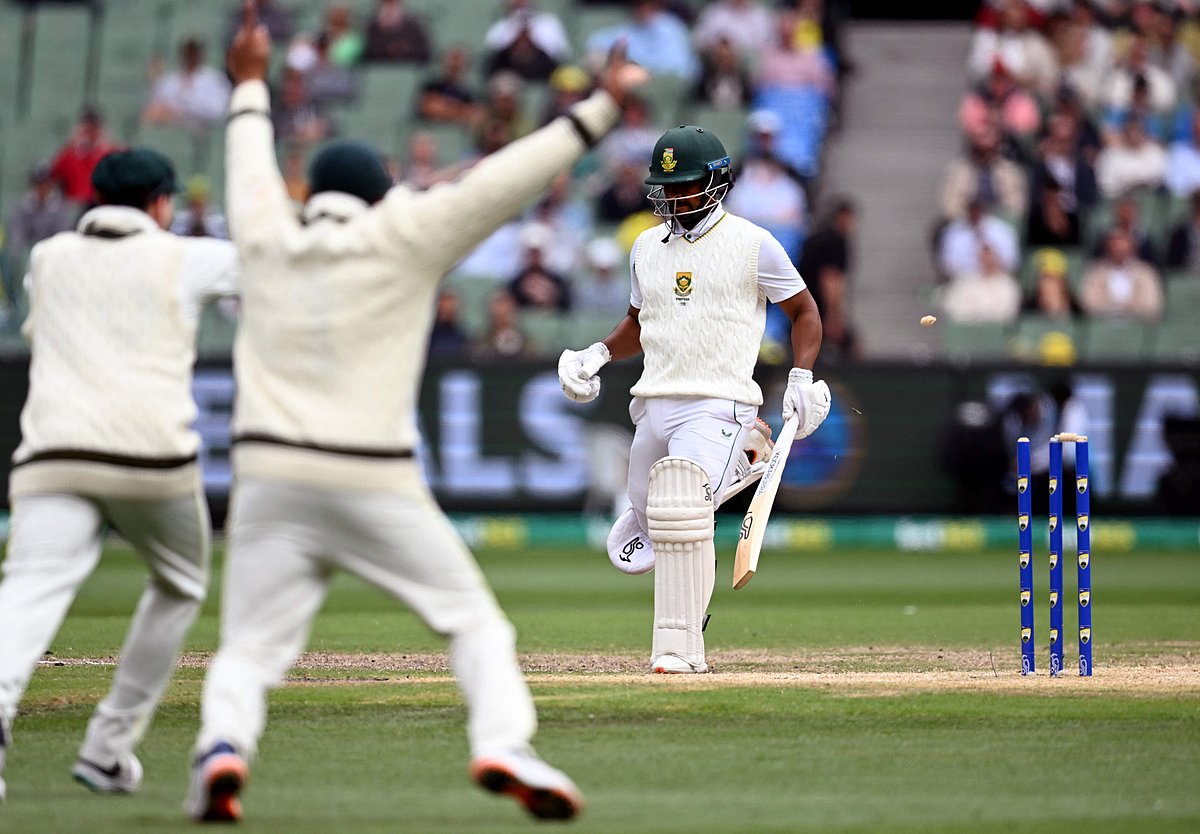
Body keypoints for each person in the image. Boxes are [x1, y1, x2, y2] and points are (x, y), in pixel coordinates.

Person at [184, 4, 647, 823]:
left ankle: (221, 748)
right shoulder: (404, 233)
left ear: (311, 193)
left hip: (268, 475)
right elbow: (504, 181)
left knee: (249, 648)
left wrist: (250, 83)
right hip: (374, 475)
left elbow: (247, 163)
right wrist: (601, 108)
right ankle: (502, 743)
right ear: (379, 194)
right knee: (475, 626)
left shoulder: (265, 233)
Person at [0, 148, 238, 802]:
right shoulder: (185, 255)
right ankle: (108, 745)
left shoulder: (46, 257)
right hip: (150, 458)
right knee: (181, 582)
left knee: (30, 587)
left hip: (53, 455)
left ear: (96, 199)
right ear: (160, 203)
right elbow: (268, 266)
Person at [556, 124, 829, 675]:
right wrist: (598, 355)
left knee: (683, 509)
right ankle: (746, 458)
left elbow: (804, 310)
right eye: (667, 187)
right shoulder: (645, 246)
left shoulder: (753, 243)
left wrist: (801, 374)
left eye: (685, 186)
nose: (674, 198)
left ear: (716, 182)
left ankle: (680, 649)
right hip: (653, 401)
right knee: (650, 521)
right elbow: (640, 322)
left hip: (718, 400)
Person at [142, 37, 232, 130]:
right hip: (173, 126)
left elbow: (218, 110)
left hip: (200, 130)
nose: (190, 57)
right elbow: (157, 102)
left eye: (193, 53)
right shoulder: (171, 80)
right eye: (188, 52)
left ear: (201, 54)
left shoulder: (214, 79)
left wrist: (182, 108)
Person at [1080, 228, 1163, 321]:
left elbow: (1152, 306)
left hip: (1137, 324)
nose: (1119, 252)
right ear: (1107, 249)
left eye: (1123, 250)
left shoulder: (1146, 273)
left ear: (1132, 249)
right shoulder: (1095, 273)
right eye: (1115, 248)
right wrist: (1114, 309)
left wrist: (1128, 310)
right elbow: (1088, 304)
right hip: (1102, 324)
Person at [361, 0, 432, 64]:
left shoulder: (414, 27)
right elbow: (366, 54)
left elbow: (424, 54)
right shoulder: (372, 28)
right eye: (386, 5)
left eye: (393, 5)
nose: (389, 10)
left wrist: (403, 50)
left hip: (409, 68)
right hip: (379, 69)